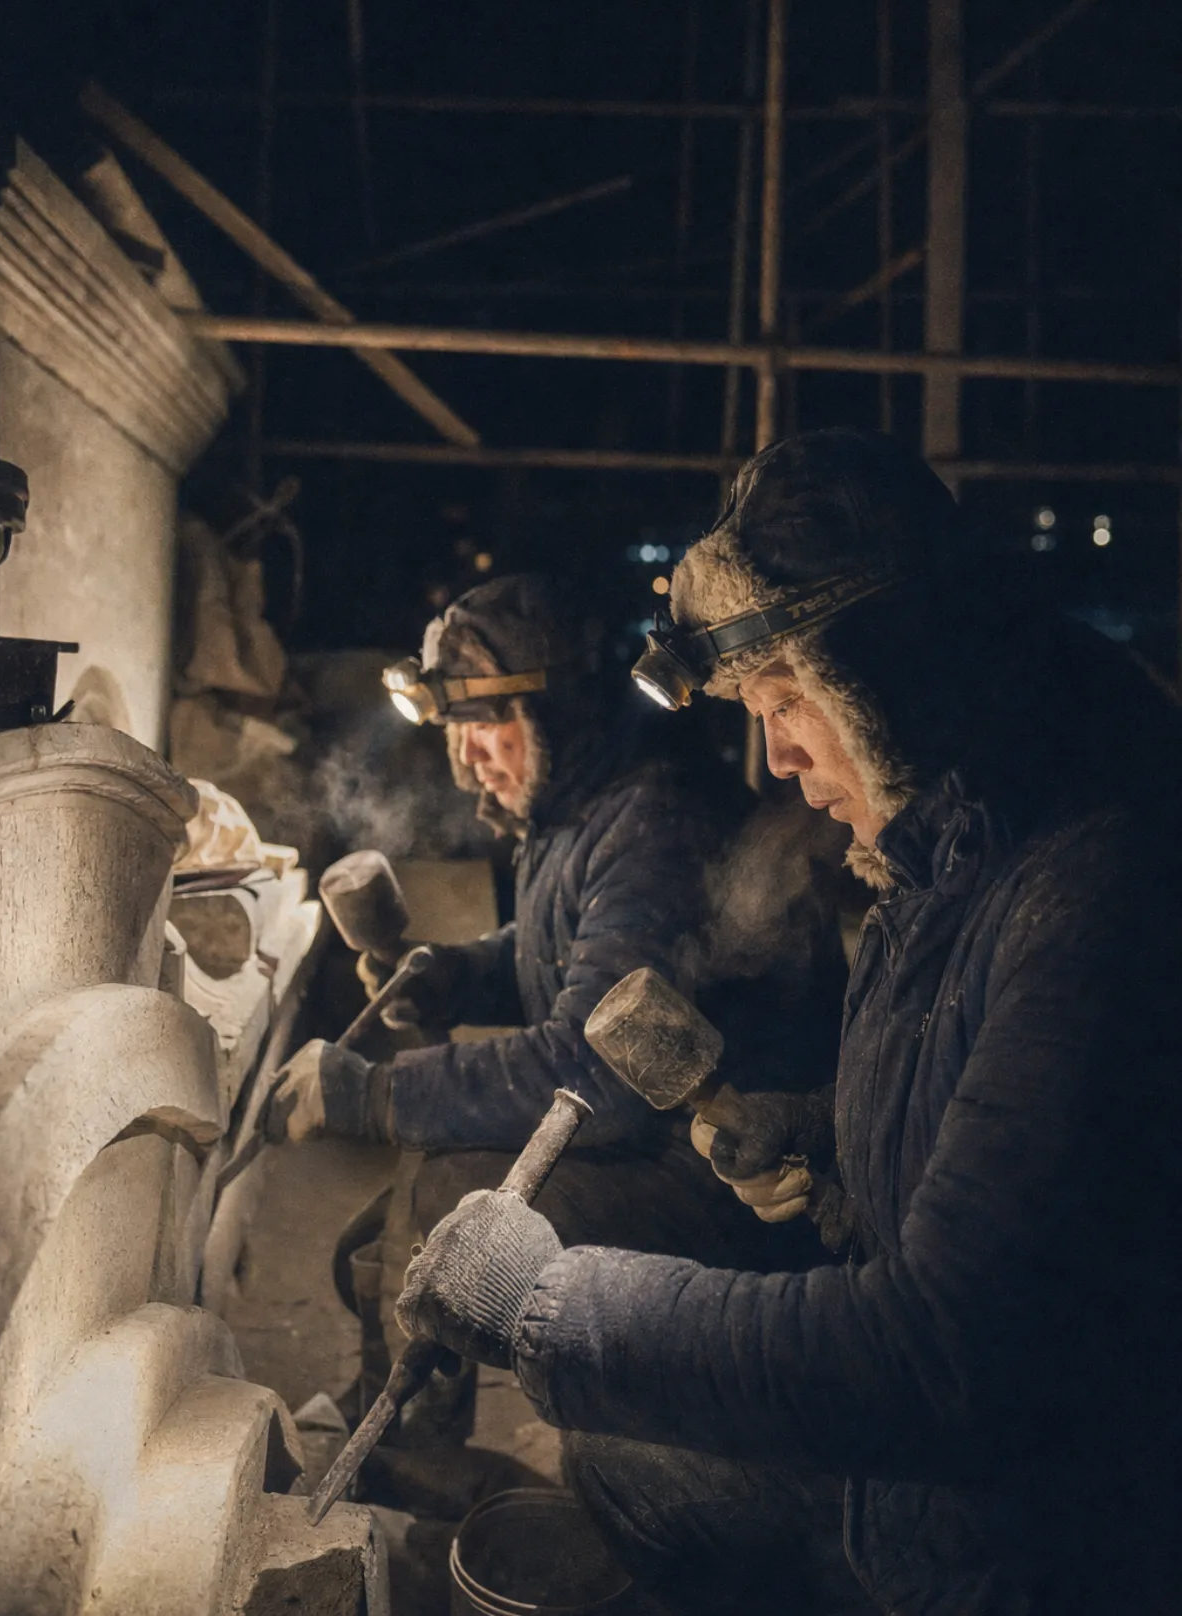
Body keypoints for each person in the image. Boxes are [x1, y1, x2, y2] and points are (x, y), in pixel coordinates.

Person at [393, 433, 1182, 1615]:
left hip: (1021, 1541)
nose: (775, 755)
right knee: (613, 1452)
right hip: (946, 1488)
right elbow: (993, 1157)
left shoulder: (1094, 900)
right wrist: (821, 1146)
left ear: (896, 674)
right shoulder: (943, 847)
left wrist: (552, 1305)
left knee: (606, 1385)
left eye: (788, 697)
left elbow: (941, 1356)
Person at [264, 572, 847, 1443]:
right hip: (658, 1143)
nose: (467, 761)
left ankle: (417, 1454)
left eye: (485, 726)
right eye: (455, 734)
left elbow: (591, 1070)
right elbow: (565, 954)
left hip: (735, 1181)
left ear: (556, 713)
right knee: (373, 1251)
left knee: (449, 1197)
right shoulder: (580, 809)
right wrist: (457, 975)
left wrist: (370, 1092)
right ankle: (398, 1432)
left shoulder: (654, 823)